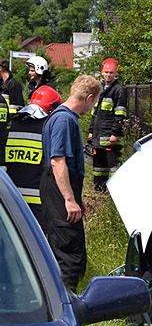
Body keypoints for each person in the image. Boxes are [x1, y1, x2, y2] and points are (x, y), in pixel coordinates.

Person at [41, 75, 101, 291]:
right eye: (94, 102)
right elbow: (58, 162)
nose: (92, 107)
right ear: (90, 98)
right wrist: (68, 199)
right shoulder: (64, 120)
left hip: (58, 189)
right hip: (59, 193)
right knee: (69, 255)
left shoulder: (59, 117)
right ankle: (65, 304)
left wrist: (77, 198)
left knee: (67, 249)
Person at [3, 86, 63, 227]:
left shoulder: (12, 124)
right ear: (51, 110)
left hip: (12, 198)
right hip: (39, 200)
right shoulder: (48, 128)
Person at [89, 57, 128, 191]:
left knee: (113, 166)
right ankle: (99, 189)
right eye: (106, 72)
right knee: (99, 167)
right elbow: (94, 113)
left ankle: (115, 191)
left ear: (116, 73)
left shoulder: (119, 90)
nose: (108, 75)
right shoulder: (99, 89)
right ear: (101, 72)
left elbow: (120, 114)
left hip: (110, 137)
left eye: (111, 72)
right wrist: (91, 131)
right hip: (98, 136)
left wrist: (115, 133)